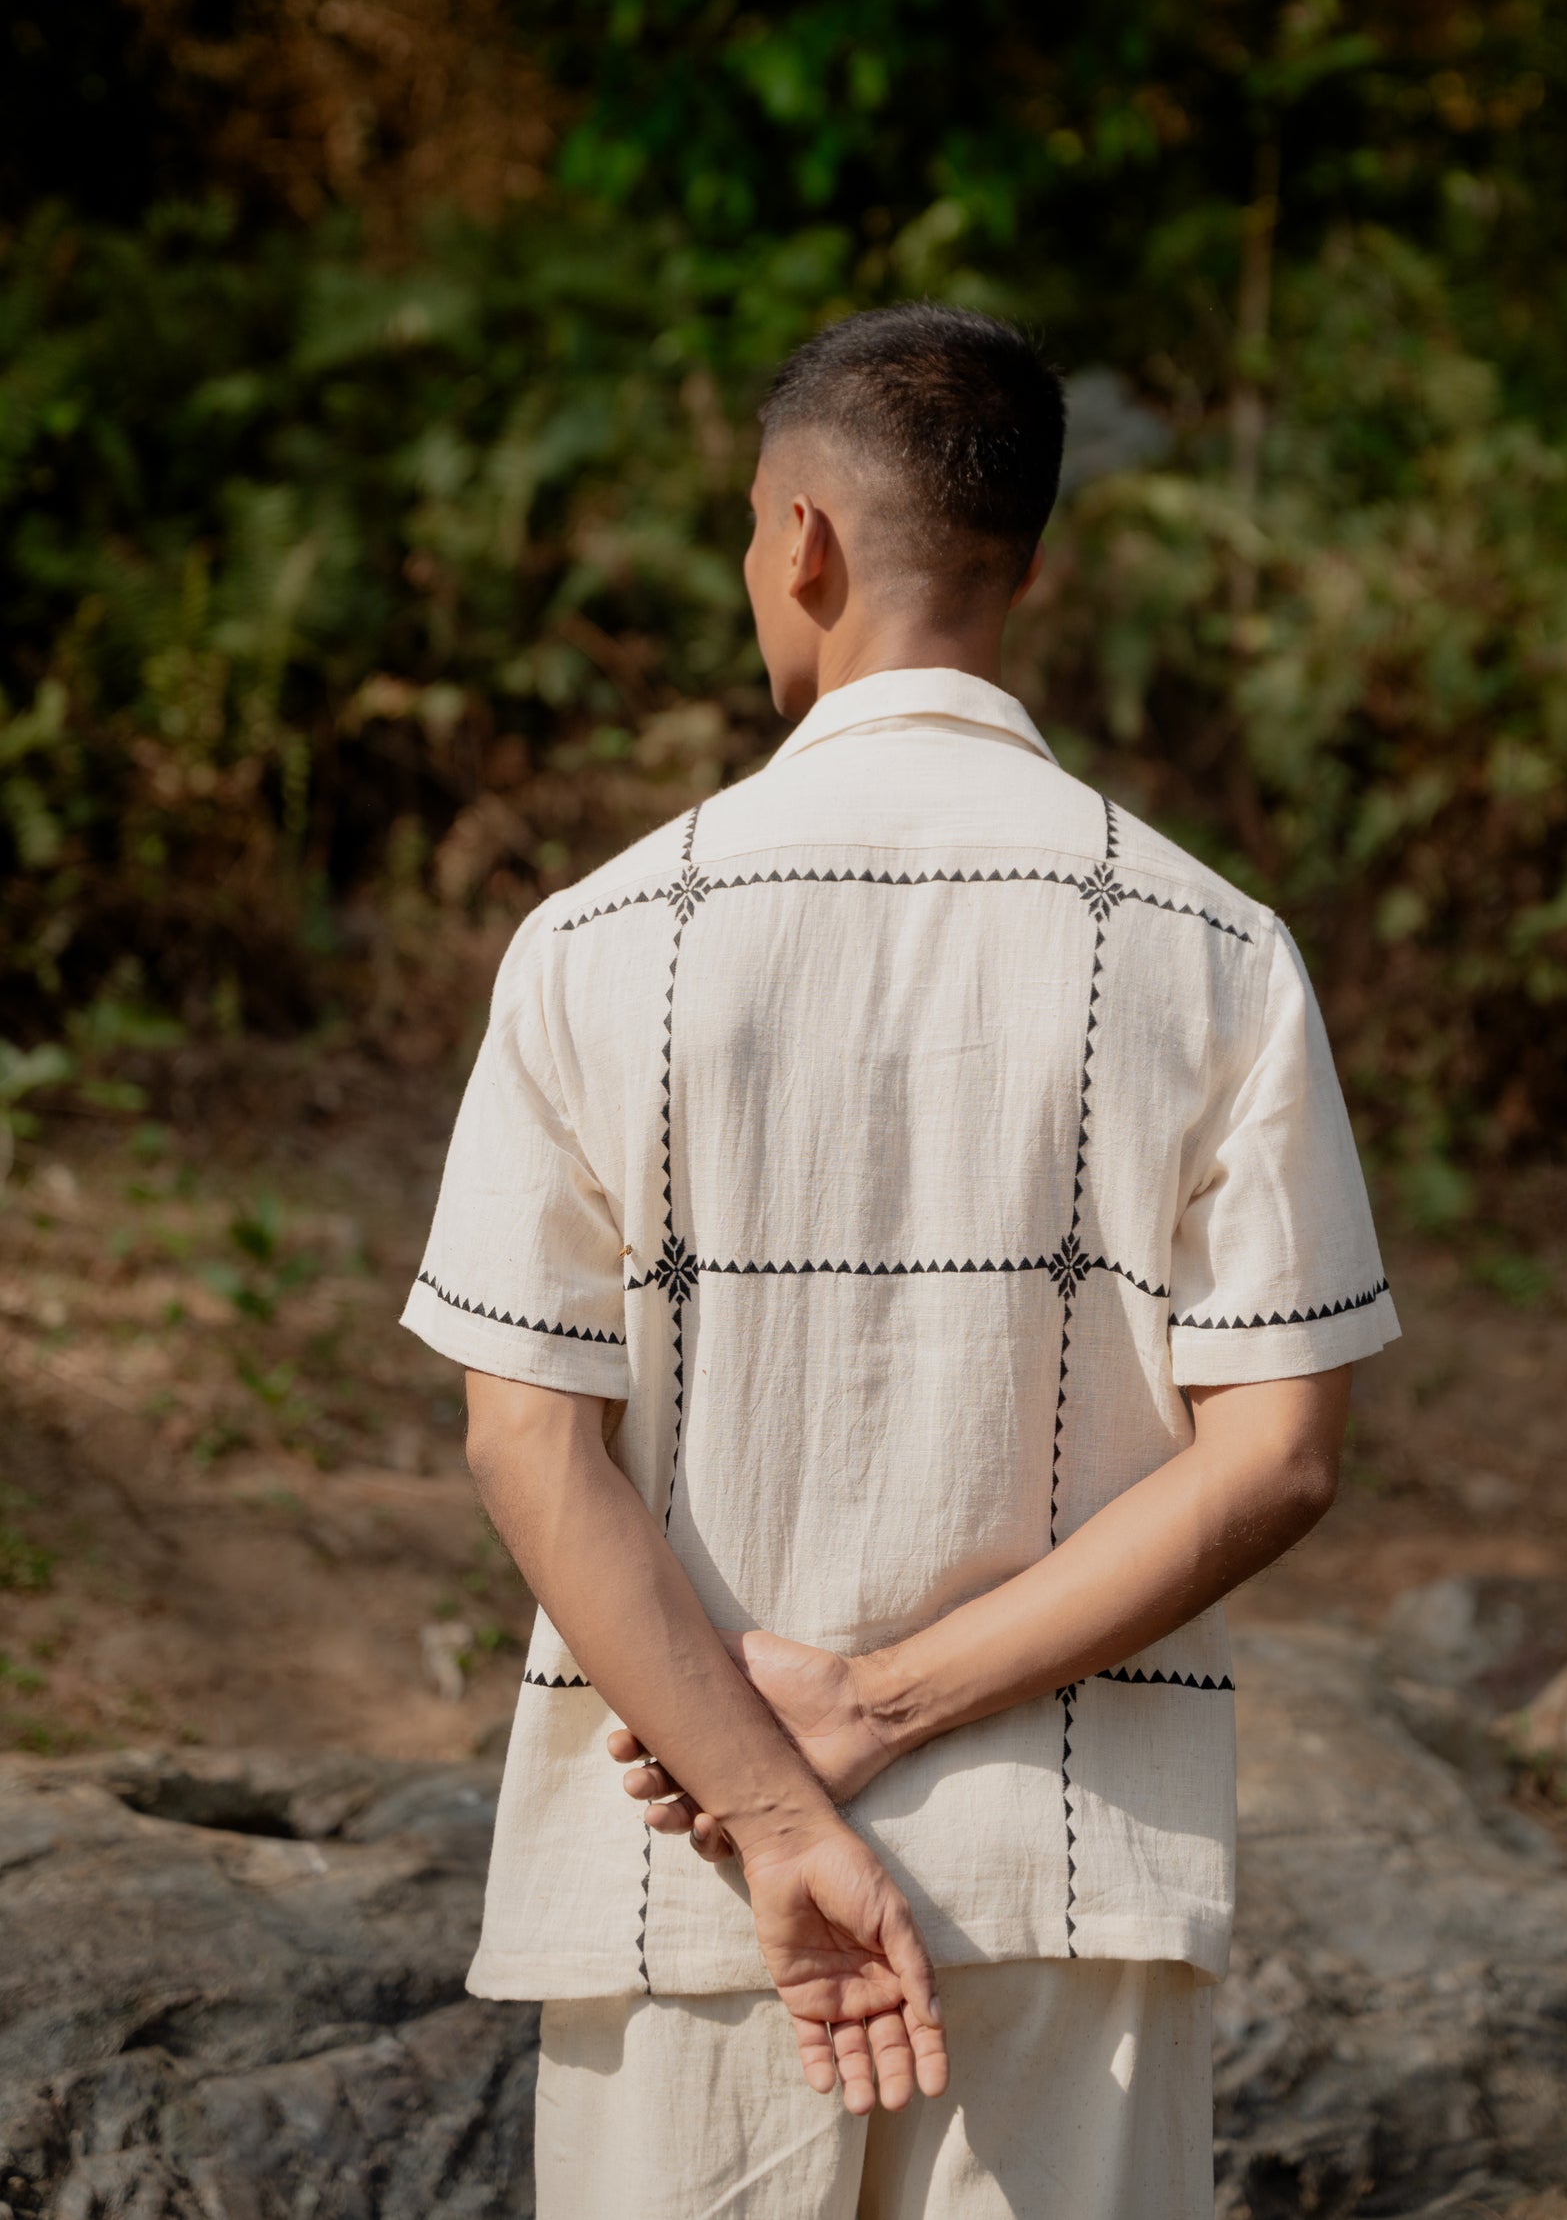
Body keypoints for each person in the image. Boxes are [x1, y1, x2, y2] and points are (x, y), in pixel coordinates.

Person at [401, 303, 1399, 2220]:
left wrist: (782, 1805)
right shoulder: (1209, 942)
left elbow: (526, 1442)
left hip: (678, 1873)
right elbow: (1275, 1453)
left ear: (801, 542)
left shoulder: (603, 936)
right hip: (1078, 1872)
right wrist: (889, 1704)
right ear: (1028, 561)